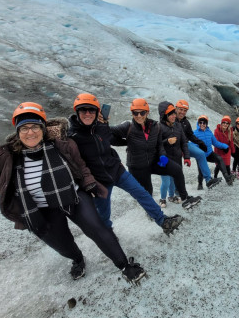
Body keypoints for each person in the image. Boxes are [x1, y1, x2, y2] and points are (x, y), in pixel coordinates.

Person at [0, 102, 146, 283]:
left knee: (98, 229)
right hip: (41, 208)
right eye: (24, 128)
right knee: (62, 244)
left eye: (34, 127)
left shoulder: (62, 144)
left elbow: (81, 166)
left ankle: (124, 265)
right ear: (17, 131)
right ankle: (77, 259)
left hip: (73, 197)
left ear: (43, 128)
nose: (30, 132)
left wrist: (89, 183)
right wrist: (6, 189)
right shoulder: (7, 154)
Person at [67, 94, 183, 233]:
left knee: (142, 193)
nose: (87, 114)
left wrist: (127, 140)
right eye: (83, 110)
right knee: (103, 213)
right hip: (98, 179)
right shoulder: (72, 135)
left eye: (91, 110)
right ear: (76, 112)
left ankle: (163, 221)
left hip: (117, 170)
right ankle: (108, 235)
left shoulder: (102, 126)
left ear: (97, 112)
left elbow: (109, 138)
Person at [109, 98, 201, 210]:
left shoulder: (154, 126)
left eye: (142, 112)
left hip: (153, 161)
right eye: (135, 113)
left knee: (177, 169)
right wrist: (103, 124)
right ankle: (150, 210)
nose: (139, 116)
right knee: (148, 191)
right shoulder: (128, 126)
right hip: (138, 166)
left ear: (147, 112)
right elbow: (109, 135)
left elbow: (159, 145)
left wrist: (162, 155)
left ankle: (185, 198)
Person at [158, 101, 201, 208]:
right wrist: (167, 141)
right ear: (165, 115)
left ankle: (171, 196)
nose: (174, 116)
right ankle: (162, 198)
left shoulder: (178, 126)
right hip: (164, 159)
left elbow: (183, 143)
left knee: (173, 179)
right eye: (171, 114)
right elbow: (156, 145)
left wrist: (186, 157)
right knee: (166, 181)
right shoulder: (159, 127)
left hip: (176, 158)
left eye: (174, 113)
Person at [174, 99, 220, 191]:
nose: (182, 112)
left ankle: (208, 180)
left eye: (185, 110)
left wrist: (200, 142)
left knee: (201, 154)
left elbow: (190, 135)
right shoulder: (170, 119)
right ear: (176, 108)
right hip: (174, 147)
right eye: (180, 109)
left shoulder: (185, 122)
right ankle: (177, 191)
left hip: (185, 145)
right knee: (177, 168)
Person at [193, 115, 234, 187]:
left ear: (206, 124)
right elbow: (193, 145)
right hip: (200, 155)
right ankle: (200, 184)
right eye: (201, 122)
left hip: (209, 154)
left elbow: (215, 143)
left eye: (204, 123)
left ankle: (227, 178)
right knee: (201, 171)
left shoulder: (209, 132)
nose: (202, 124)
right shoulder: (195, 133)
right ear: (198, 123)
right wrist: (199, 148)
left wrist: (225, 146)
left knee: (219, 159)